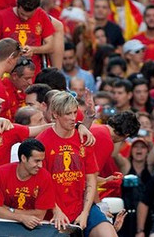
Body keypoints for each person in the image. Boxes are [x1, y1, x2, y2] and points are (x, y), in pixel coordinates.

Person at [37, 92, 114, 236]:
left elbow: (90, 178)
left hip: (82, 205)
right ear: (55, 115)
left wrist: (85, 212)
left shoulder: (84, 138)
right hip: (52, 208)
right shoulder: (43, 141)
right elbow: (40, 182)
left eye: (74, 112)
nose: (73, 118)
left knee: (108, 234)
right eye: (68, 114)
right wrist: (55, 209)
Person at [0, 138, 56, 229]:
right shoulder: (1, 173)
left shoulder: (45, 177)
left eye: (42, 160)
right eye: (37, 161)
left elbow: (39, 215)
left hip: (32, 229)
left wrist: (8, 210)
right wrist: (21, 218)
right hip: (3, 226)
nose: (40, 165)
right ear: (23, 158)